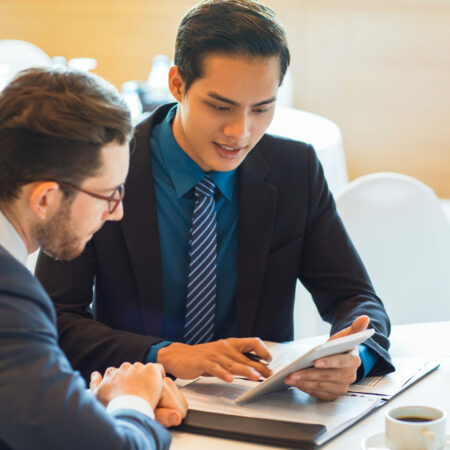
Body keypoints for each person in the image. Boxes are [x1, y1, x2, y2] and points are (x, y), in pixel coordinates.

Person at [36, 0, 395, 402]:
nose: (240, 132)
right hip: (134, 403)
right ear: (177, 84)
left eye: (261, 108)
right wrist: (168, 355)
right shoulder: (104, 167)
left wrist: (354, 357)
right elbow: (54, 319)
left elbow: (356, 298)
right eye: (220, 106)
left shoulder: (295, 168)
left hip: (263, 411)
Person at [0, 67, 187, 450]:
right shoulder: (10, 298)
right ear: (45, 199)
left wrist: (76, 407)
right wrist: (133, 399)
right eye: (108, 195)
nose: (116, 212)